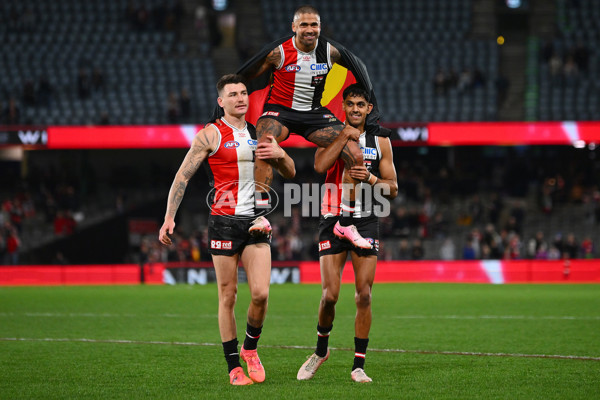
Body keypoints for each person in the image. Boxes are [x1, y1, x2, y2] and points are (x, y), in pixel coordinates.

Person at [158, 74, 295, 386]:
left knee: (260, 294)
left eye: (244, 92)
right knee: (228, 295)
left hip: (256, 221)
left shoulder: (261, 133)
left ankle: (250, 349)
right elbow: (183, 176)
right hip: (223, 222)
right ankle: (234, 369)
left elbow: (290, 170)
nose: (240, 98)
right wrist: (169, 217)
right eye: (233, 94)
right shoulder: (210, 134)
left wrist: (281, 154)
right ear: (221, 101)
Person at [227, 5, 389, 250]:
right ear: (294, 27)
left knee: (356, 151)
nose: (309, 29)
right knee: (264, 144)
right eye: (304, 24)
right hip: (279, 111)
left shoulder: (330, 51)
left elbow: (360, 68)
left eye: (314, 25)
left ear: (320, 27)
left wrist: (373, 109)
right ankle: (259, 214)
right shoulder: (278, 52)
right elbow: (246, 75)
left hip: (314, 113)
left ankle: (345, 223)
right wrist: (225, 108)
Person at [296, 84, 398, 383]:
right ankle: (320, 351)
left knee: (364, 295)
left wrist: (370, 176)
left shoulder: (381, 141)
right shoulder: (331, 131)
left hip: (366, 220)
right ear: (344, 106)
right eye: (350, 104)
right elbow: (319, 165)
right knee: (330, 296)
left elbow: (392, 188)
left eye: (361, 104)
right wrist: (342, 137)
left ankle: (358, 365)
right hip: (332, 217)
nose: (355, 109)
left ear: (369, 108)